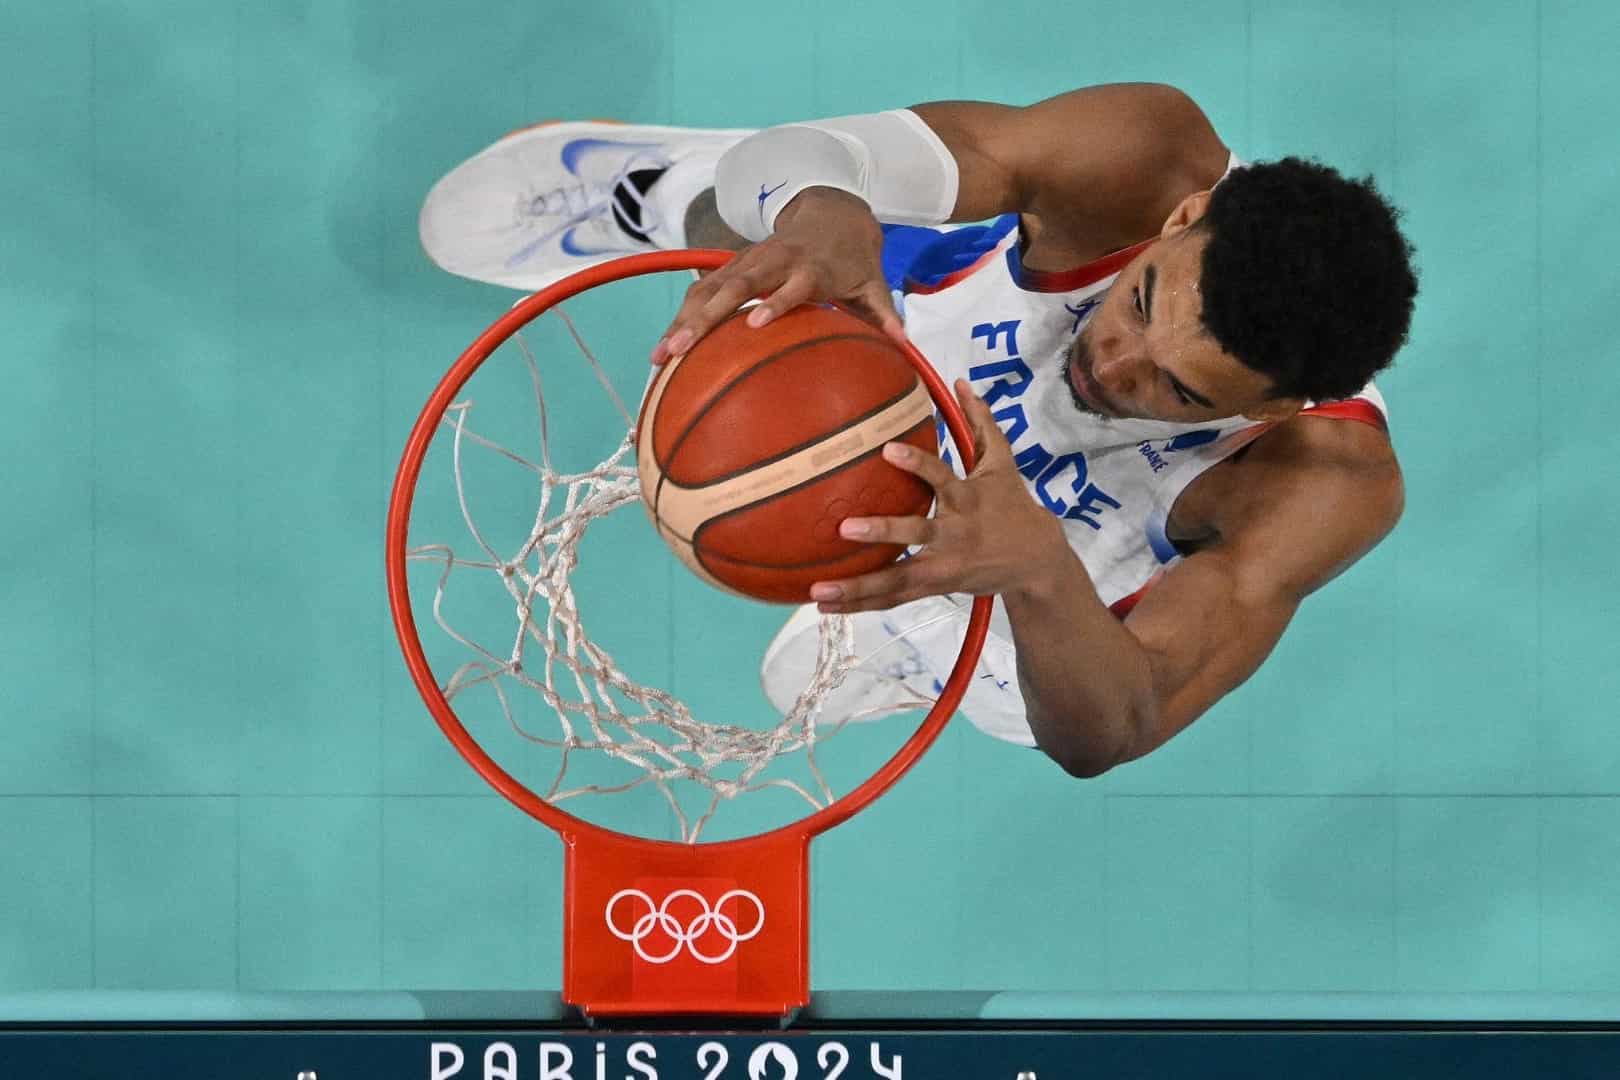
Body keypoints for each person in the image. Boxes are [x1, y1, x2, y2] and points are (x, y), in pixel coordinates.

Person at [419, 83, 1418, 778]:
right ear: (1183, 216)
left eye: (1179, 389)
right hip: (922, 308)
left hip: (1065, 528)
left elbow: (1122, 721)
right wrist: (815, 203)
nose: (1112, 363)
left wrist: (1035, 574)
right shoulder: (1142, 155)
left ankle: (918, 635)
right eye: (1140, 300)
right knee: (791, 216)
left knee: (1020, 700)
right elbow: (825, 150)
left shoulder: (1327, 480)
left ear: (1274, 408)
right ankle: (660, 195)